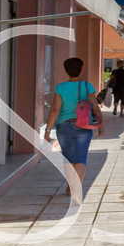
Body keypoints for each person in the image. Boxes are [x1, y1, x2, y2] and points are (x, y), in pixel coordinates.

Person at [44, 57, 105, 201]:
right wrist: (101, 125)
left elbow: (55, 109)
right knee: (81, 158)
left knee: (68, 159)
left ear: (66, 70)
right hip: (83, 126)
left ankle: (71, 186)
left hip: (64, 127)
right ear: (81, 70)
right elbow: (95, 106)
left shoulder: (60, 87)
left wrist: (47, 130)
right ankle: (76, 190)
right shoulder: (87, 86)